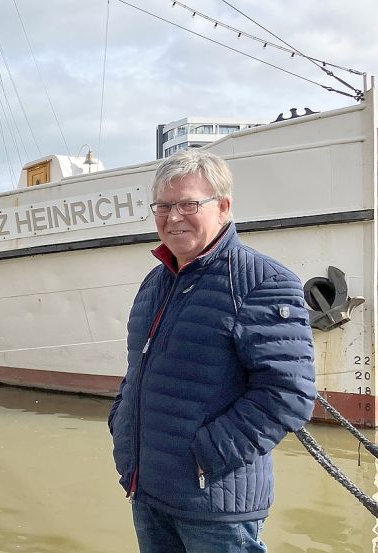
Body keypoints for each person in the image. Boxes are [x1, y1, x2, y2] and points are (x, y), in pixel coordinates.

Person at [109, 149, 316, 552]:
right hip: (149, 493)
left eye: (188, 204)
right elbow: (141, 368)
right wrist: (122, 424)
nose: (172, 217)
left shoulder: (261, 281)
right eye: (164, 206)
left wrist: (207, 455)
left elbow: (288, 394)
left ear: (223, 207)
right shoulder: (157, 282)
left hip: (216, 507)